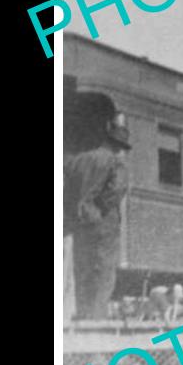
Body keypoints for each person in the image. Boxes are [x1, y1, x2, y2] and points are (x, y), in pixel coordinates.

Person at [63, 118, 131, 319]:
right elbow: (117, 189)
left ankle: (83, 315)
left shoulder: (77, 161)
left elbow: (65, 191)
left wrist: (76, 213)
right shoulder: (116, 162)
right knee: (103, 271)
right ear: (118, 146)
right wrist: (98, 210)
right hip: (103, 223)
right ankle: (96, 320)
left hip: (79, 222)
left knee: (82, 268)